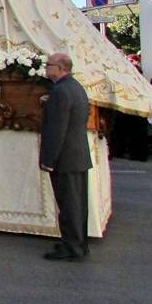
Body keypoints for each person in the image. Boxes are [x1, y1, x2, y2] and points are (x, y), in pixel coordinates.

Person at [39, 52, 92, 261]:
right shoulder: (73, 87)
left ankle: (72, 247)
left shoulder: (61, 92)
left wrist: (48, 160)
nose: (46, 67)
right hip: (77, 155)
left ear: (61, 68)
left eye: (49, 65)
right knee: (77, 203)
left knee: (69, 204)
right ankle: (78, 243)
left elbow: (57, 129)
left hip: (65, 157)